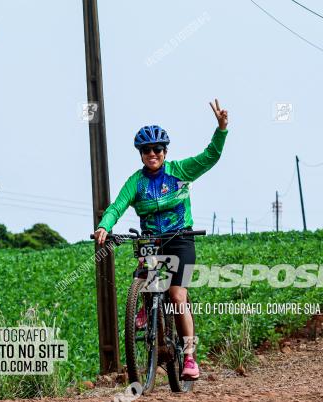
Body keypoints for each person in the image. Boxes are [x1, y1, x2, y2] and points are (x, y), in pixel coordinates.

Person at [94, 99, 229, 380]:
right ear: (141, 154)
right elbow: (117, 206)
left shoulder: (180, 171)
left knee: (178, 296)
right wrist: (105, 226)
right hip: (153, 241)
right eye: (146, 150)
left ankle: (189, 357)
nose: (152, 153)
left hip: (182, 239)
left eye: (156, 149)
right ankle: (145, 307)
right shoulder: (137, 182)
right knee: (144, 271)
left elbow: (210, 157)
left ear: (165, 151)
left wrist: (221, 128)